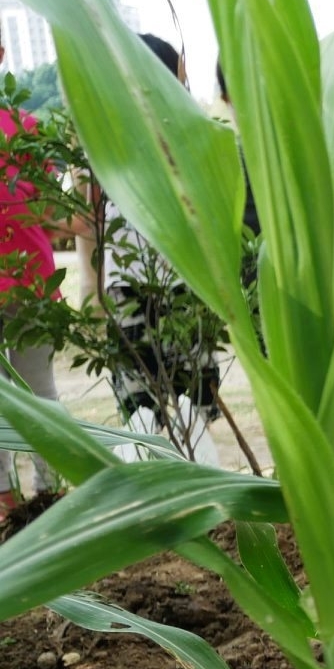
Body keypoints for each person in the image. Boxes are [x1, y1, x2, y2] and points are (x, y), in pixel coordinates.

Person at [105, 33, 223, 467]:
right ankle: (197, 495)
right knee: (184, 407)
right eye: (180, 74)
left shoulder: (104, 132)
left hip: (132, 287)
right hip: (178, 284)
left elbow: (89, 221)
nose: (186, 84)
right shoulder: (188, 133)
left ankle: (160, 502)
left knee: (144, 409)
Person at [0, 40, 63, 520]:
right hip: (35, 280)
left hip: (31, 283)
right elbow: (54, 213)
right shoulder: (29, 131)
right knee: (41, 394)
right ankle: (47, 496)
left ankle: (21, 500)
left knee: (38, 392)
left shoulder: (31, 131)